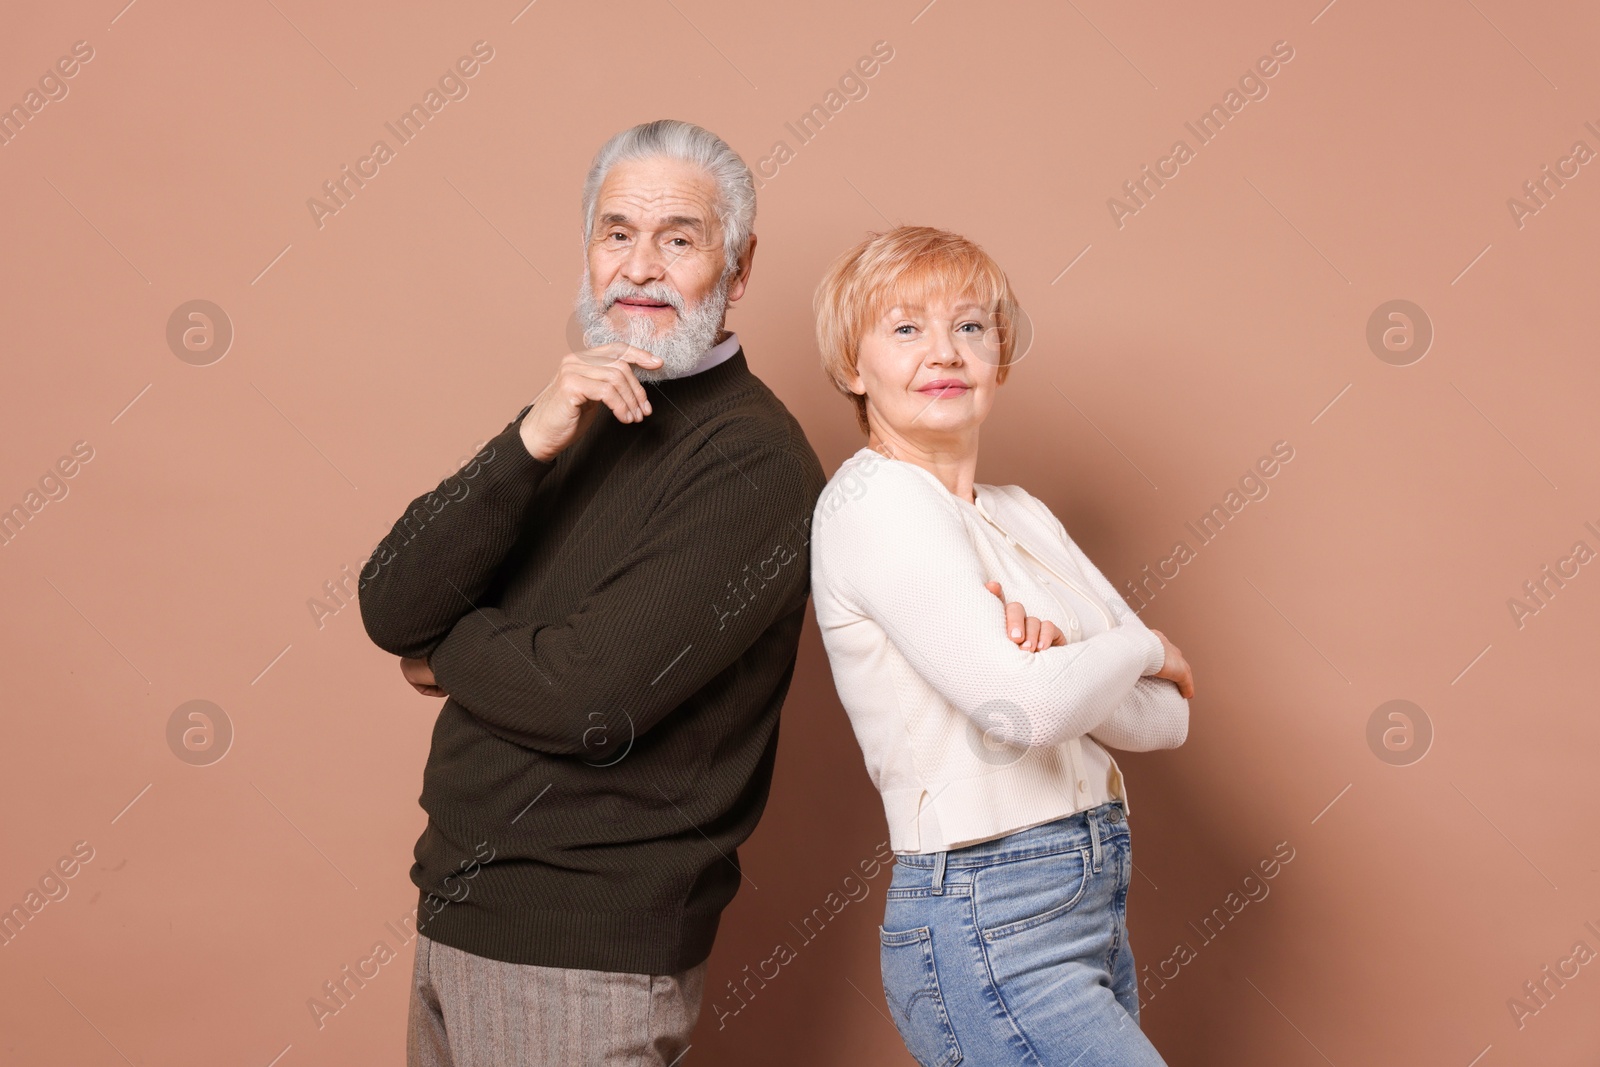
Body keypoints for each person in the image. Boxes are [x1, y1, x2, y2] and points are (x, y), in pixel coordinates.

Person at [358, 119, 825, 1066]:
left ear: (736, 269)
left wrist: (445, 652)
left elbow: (589, 699)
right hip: (459, 909)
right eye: (617, 233)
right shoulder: (578, 410)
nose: (639, 268)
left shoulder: (753, 462)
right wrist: (527, 437)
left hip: (583, 954)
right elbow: (388, 601)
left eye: (679, 238)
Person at [809, 225, 1193, 1066]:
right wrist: (1138, 644)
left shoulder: (1023, 514)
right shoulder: (872, 503)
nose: (944, 352)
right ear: (851, 366)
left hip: (1089, 903)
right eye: (905, 328)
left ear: (1000, 357)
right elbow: (1025, 707)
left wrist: (1070, 658)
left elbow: (1166, 722)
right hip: (989, 914)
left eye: (971, 327)